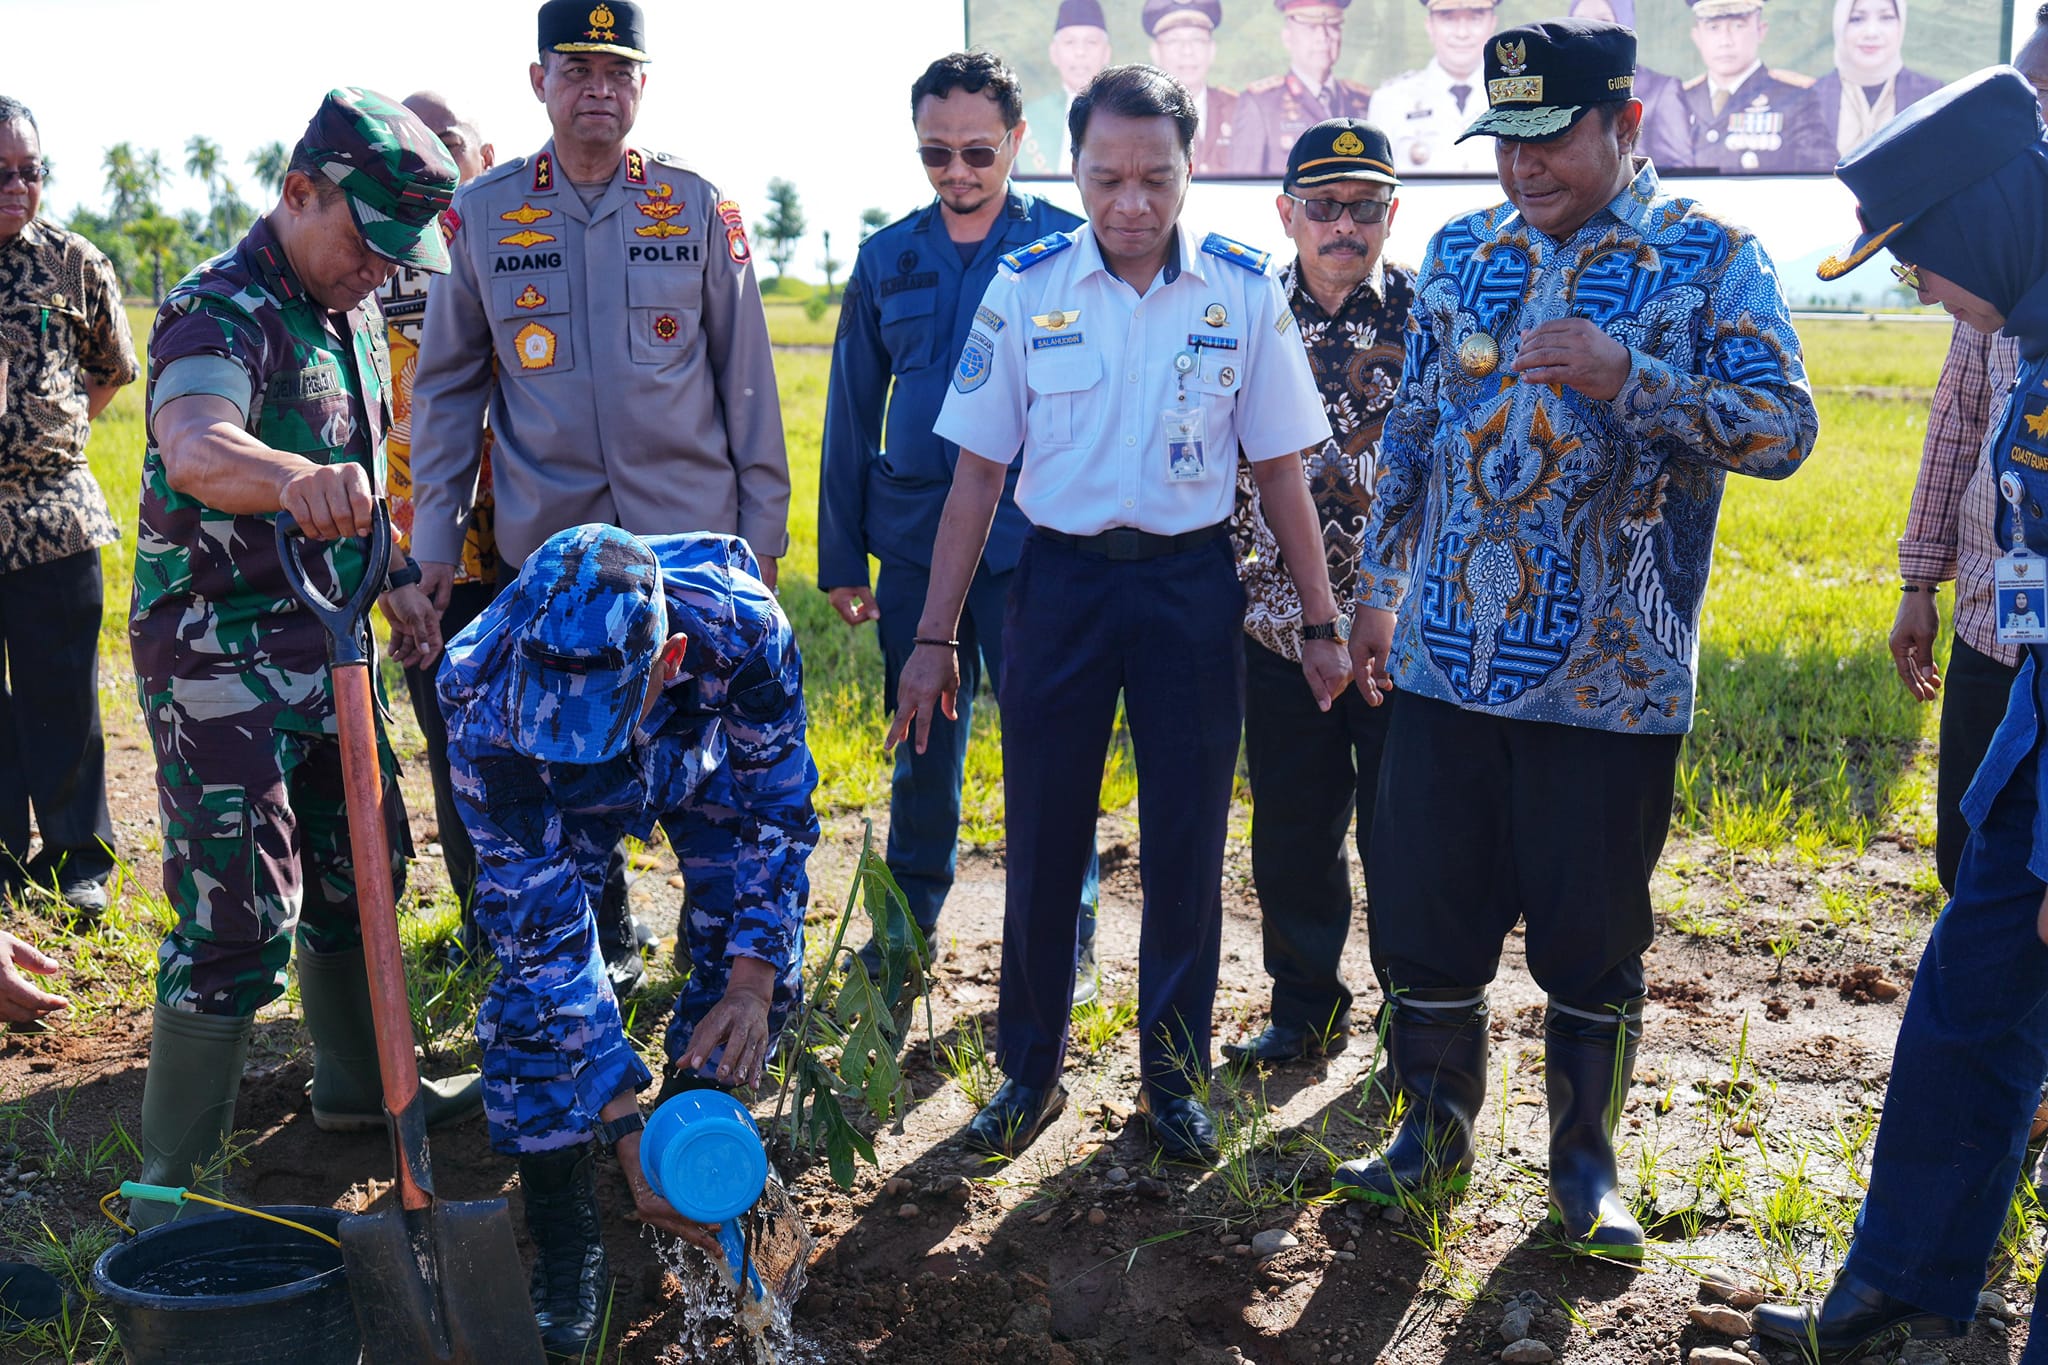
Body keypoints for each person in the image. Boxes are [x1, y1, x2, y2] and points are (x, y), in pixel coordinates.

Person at [1336, 18, 1818, 1256]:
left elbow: (1783, 429)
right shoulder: (1461, 250)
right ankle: (1427, 1133)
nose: (1522, 167)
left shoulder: (1710, 257)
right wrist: (1376, 586)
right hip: (1445, 658)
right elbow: (1412, 430)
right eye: (1505, 142)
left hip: (1609, 680)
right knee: (1424, 912)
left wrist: (1628, 378)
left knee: (1590, 937)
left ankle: (1583, 1170)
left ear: (1625, 124)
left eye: (1549, 140)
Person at [896, 64, 1350, 1163]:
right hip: (1058, 588)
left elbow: (1280, 471)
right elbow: (975, 477)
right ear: (1073, 169)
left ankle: (1174, 1082)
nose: (1132, 204)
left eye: (1156, 178)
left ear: (1193, 168)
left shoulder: (1241, 291)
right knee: (1043, 835)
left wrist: (1321, 621)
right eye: (1107, 178)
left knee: (1186, 841)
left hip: (1191, 589)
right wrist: (932, 635)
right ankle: (1027, 1073)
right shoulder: (1025, 288)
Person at [126, 88, 481, 1229]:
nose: (377, 270)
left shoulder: (351, 312)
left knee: (356, 873)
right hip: (216, 654)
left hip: (328, 643)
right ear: (298, 192)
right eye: (364, 242)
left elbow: (357, 475)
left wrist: (395, 582)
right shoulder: (216, 308)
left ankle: (360, 1090)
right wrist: (293, 481)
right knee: (236, 912)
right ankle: (171, 1194)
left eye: (395, 255)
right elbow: (195, 446)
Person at [1752, 66, 2048, 1361]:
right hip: (2030, 717)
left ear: (1980, 218)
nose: (1917, 289)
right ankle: (1903, 1281)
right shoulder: (2023, 328)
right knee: (1965, 999)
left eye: (1916, 256)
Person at [410, 0, 791, 994]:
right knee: (566, 758)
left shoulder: (694, 206)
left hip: (688, 551)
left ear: (643, 86)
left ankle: (721, 952)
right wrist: (435, 540)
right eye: (576, 68)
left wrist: (762, 535)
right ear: (538, 80)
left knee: (708, 762)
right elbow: (447, 392)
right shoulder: (484, 215)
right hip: (558, 562)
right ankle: (591, 951)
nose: (598, 89)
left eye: (618, 70)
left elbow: (747, 381)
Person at [438, 523, 817, 1355]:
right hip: (556, 800)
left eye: (602, 712)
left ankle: (697, 1159)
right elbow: (544, 931)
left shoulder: (743, 630)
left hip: (702, 765)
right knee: (533, 1006)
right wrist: (618, 1119)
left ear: (669, 658)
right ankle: (568, 1241)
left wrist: (752, 985)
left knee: (749, 967)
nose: (581, 732)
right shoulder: (478, 692)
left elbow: (779, 816)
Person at [819, 52, 1102, 1001]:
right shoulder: (885, 258)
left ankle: (1064, 932)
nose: (957, 172)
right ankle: (906, 927)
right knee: (921, 740)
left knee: (1049, 745)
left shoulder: (1067, 248)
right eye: (935, 154)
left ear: (1018, 139)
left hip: (1035, 543)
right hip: (911, 540)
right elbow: (851, 412)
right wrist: (840, 556)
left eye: (978, 151)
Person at [1221, 119, 1407, 1067]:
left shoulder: (1432, 315)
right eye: (1324, 205)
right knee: (1293, 833)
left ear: (1391, 215)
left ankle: (1417, 1018)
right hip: (1277, 629)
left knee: (1408, 838)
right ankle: (1304, 1013)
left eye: (1364, 207)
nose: (1344, 225)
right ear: (1285, 212)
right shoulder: (1244, 311)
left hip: (1403, 635)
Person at [1890, 10, 2048, 899]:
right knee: (1970, 855)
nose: (2035, 122)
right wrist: (1920, 581)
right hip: (1996, 618)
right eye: (2027, 100)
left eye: (2046, 99)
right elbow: (1956, 420)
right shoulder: (1993, 254)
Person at [0, 95, 139, 917]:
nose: (17, 186)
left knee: (62, 699)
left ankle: (77, 861)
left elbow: (112, 365)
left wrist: (52, 433)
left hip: (52, 517)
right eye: (0, 172)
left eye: (30, 171)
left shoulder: (72, 262)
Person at [378, 91, 499, 963]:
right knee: (451, 738)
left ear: (484, 156)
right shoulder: (371, 257)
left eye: (447, 141)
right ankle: (483, 923)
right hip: (421, 555)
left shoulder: (515, 241)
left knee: (549, 738)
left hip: (523, 537)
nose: (430, 156)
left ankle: (585, 924)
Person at [1670, 0, 1831, 174]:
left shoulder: (1797, 99)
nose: (1725, 41)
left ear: (1761, 31)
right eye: (1713, 27)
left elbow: (1822, 176)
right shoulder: (1678, 100)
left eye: (1738, 26)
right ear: (1697, 36)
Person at [1230, 0, 1374, 176]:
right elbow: (1243, 185)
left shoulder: (1364, 102)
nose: (1323, 37)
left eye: (1332, 25)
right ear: (1287, 38)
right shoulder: (1260, 104)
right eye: (1311, 27)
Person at [1799, 0, 1942, 170]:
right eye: (1857, 19)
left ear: (1901, 24)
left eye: (1886, 18)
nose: (1871, 33)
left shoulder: (1932, 96)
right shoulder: (1808, 100)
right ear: (1840, 23)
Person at [1368, 0, 1500, 176]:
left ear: (1492, 24)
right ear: (1429, 26)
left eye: (1475, 18)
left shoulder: (1517, 97)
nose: (1462, 33)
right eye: (1449, 19)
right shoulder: (1389, 101)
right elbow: (1375, 183)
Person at [1144, 0, 1238, 176]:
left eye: (1197, 40)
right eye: (1173, 41)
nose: (1187, 51)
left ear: (1212, 50)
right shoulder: (1137, 116)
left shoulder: (1238, 109)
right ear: (1155, 52)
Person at [1020, 0, 1115, 175]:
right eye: (1070, 42)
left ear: (1106, 53)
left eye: (1091, 42)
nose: (1080, 52)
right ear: (1054, 52)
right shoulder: (1030, 117)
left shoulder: (1122, 116)